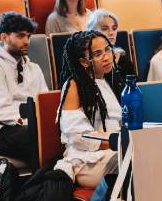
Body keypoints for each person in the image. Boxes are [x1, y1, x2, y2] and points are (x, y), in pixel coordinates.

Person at [53, 30, 124, 191]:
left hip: (114, 150)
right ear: (84, 62)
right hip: (86, 161)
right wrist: (119, 141)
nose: (106, 57)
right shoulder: (74, 85)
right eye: (98, 54)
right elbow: (78, 137)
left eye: (107, 49)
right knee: (139, 161)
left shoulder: (107, 80)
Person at [0, 12, 49, 161]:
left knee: (63, 133)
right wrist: (36, 124)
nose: (27, 41)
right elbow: (1, 111)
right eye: (21, 36)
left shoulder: (34, 68)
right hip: (0, 132)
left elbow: (44, 102)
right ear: (4, 37)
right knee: (38, 137)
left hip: (30, 126)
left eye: (28, 36)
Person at [86, 9, 134, 93]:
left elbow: (133, 90)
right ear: (92, 31)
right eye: (105, 29)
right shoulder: (86, 61)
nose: (111, 33)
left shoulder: (123, 59)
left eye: (114, 28)